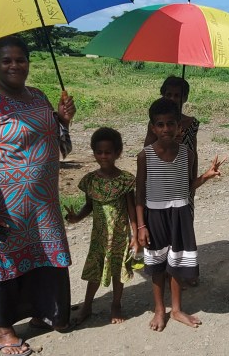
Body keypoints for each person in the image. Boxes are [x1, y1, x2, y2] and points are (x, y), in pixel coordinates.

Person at [0, 36, 75, 356]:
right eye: (6, 60)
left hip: (43, 202)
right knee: (6, 261)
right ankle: (5, 330)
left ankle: (45, 313)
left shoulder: (38, 96)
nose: (14, 65)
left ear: (28, 62)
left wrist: (63, 120)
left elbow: (57, 142)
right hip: (5, 206)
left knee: (45, 254)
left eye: (20, 59)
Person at [135, 98, 224, 331]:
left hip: (180, 214)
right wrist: (141, 226)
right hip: (155, 216)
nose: (166, 129)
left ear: (179, 127)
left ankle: (176, 309)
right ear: (153, 128)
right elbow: (139, 193)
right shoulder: (145, 156)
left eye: (170, 124)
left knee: (177, 263)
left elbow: (188, 187)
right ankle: (159, 310)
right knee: (157, 266)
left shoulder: (187, 154)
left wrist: (206, 176)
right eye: (160, 124)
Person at [65, 127, 137, 325]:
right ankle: (87, 306)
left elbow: (131, 209)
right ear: (94, 152)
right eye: (99, 152)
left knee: (118, 270)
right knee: (95, 271)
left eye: (108, 152)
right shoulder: (90, 181)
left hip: (120, 236)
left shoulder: (125, 181)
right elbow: (89, 206)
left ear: (117, 153)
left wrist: (136, 235)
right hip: (99, 237)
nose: (103, 156)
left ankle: (116, 305)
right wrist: (76, 218)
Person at [143, 75, 200, 153]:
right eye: (169, 95)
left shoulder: (191, 123)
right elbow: (147, 151)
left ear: (185, 98)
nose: (172, 99)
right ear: (163, 96)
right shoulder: (157, 124)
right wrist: (168, 142)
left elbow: (193, 151)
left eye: (177, 95)